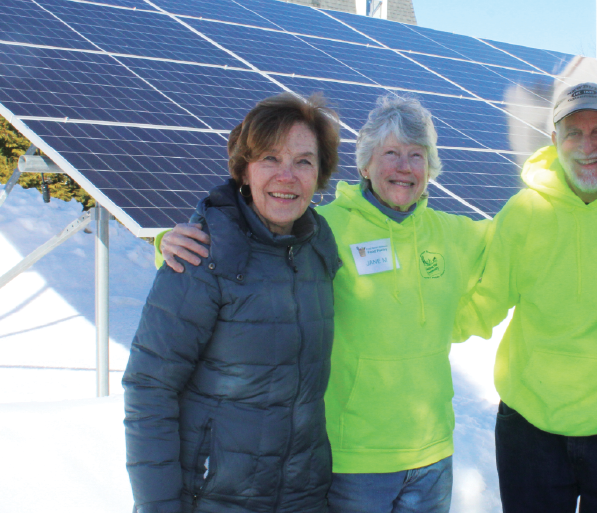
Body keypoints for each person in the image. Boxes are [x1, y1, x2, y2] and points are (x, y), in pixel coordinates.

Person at [157, 95, 490, 512]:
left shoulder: (456, 234)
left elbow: (521, 247)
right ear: (365, 164)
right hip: (353, 459)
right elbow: (247, 245)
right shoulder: (323, 227)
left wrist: (465, 320)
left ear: (430, 168)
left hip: (433, 457)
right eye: (390, 153)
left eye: (416, 155)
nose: (404, 167)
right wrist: (167, 244)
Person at [123, 92, 341, 513]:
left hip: (301, 496)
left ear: (319, 174)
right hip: (215, 496)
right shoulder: (203, 252)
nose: (286, 176)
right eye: (270, 159)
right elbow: (149, 387)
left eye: (303, 161)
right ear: (244, 169)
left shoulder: (319, 246)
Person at [454, 82, 597, 512]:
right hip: (532, 431)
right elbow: (482, 304)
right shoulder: (524, 212)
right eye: (573, 132)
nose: (587, 146)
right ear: (554, 141)